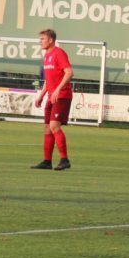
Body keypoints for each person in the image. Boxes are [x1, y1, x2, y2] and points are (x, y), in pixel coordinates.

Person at [31, 29, 73, 171]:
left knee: (54, 126)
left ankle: (64, 159)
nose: (40, 41)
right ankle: (47, 161)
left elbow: (69, 72)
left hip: (62, 96)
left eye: (42, 39)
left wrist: (58, 89)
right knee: (47, 129)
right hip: (51, 96)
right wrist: (41, 95)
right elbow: (49, 80)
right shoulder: (47, 55)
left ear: (50, 40)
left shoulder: (59, 53)